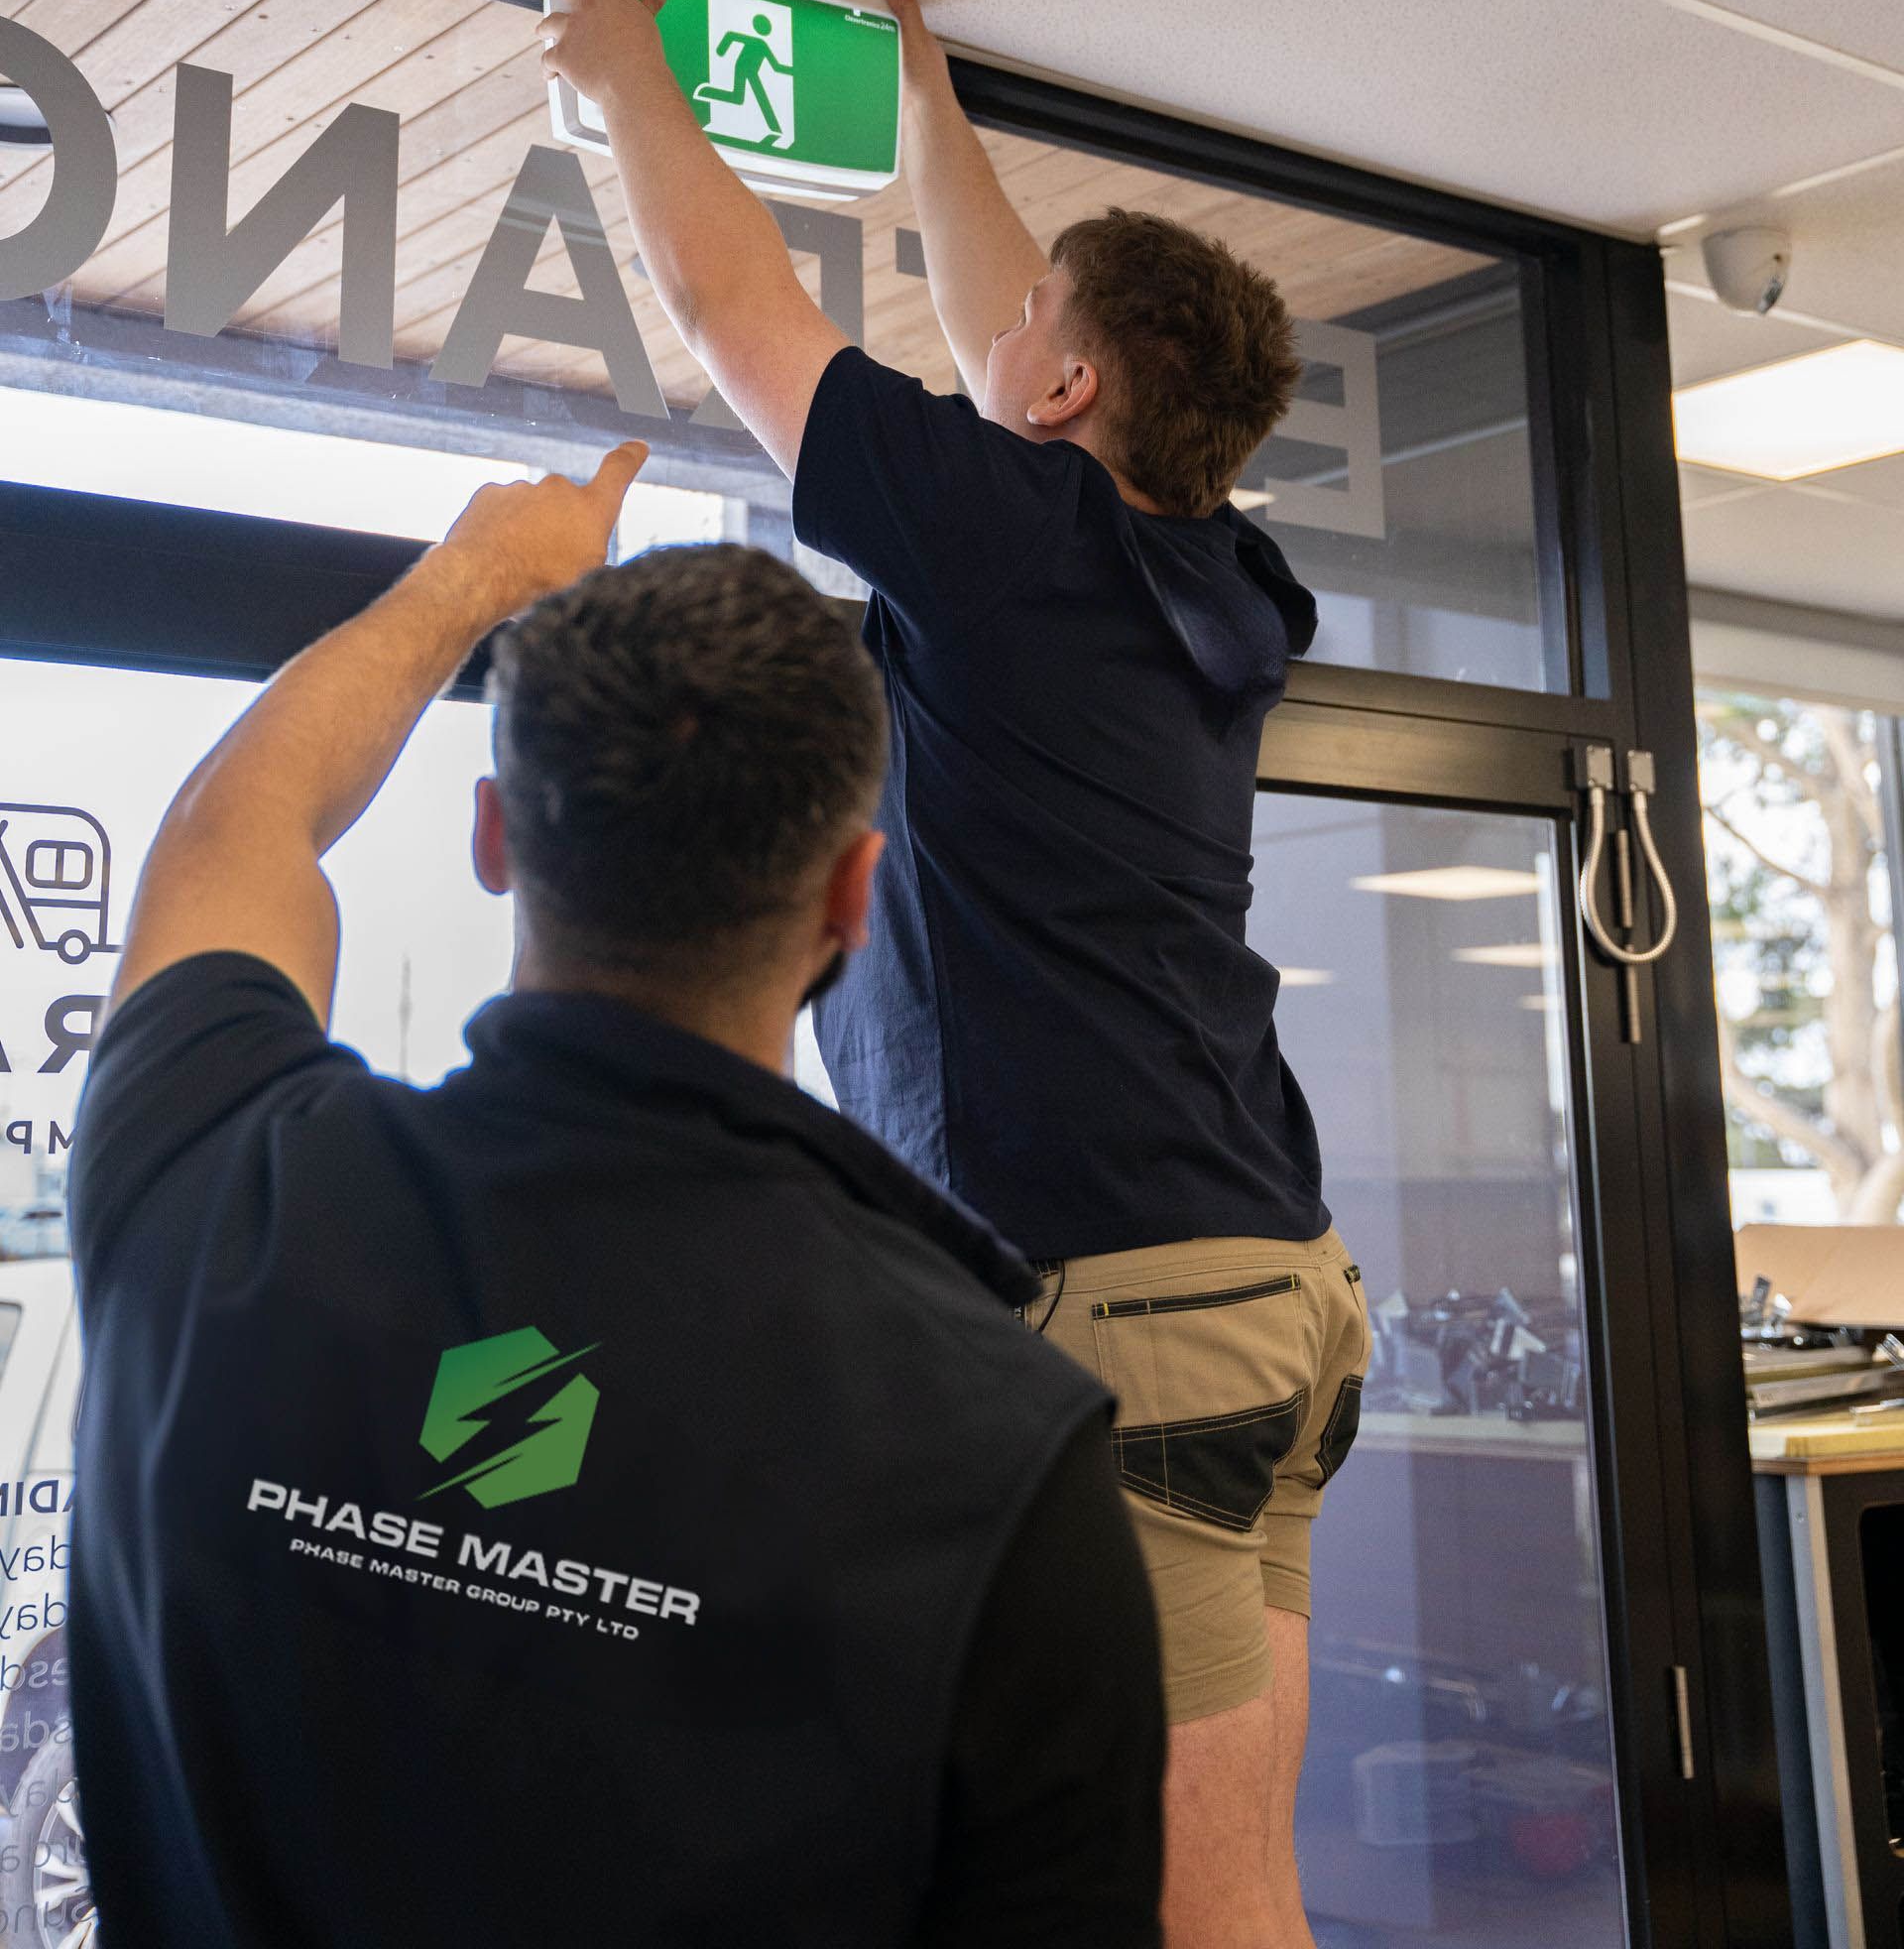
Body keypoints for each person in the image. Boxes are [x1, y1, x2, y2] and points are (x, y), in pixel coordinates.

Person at [536, 0, 1368, 1949]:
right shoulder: (1222, 580)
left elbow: (741, 312)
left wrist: (624, 65)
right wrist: (923, 89)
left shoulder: (1015, 545)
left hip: (1130, 1297)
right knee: (1236, 1852)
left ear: (1064, 390)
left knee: (1174, 1891)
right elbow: (1025, 323)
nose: (987, 340)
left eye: (1029, 343)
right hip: (1273, 1284)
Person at [67, 449, 1165, 1947]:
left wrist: (472, 581)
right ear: (853, 897)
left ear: (494, 838)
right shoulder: (1003, 1444)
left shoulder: (208, 1176)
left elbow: (231, 832)